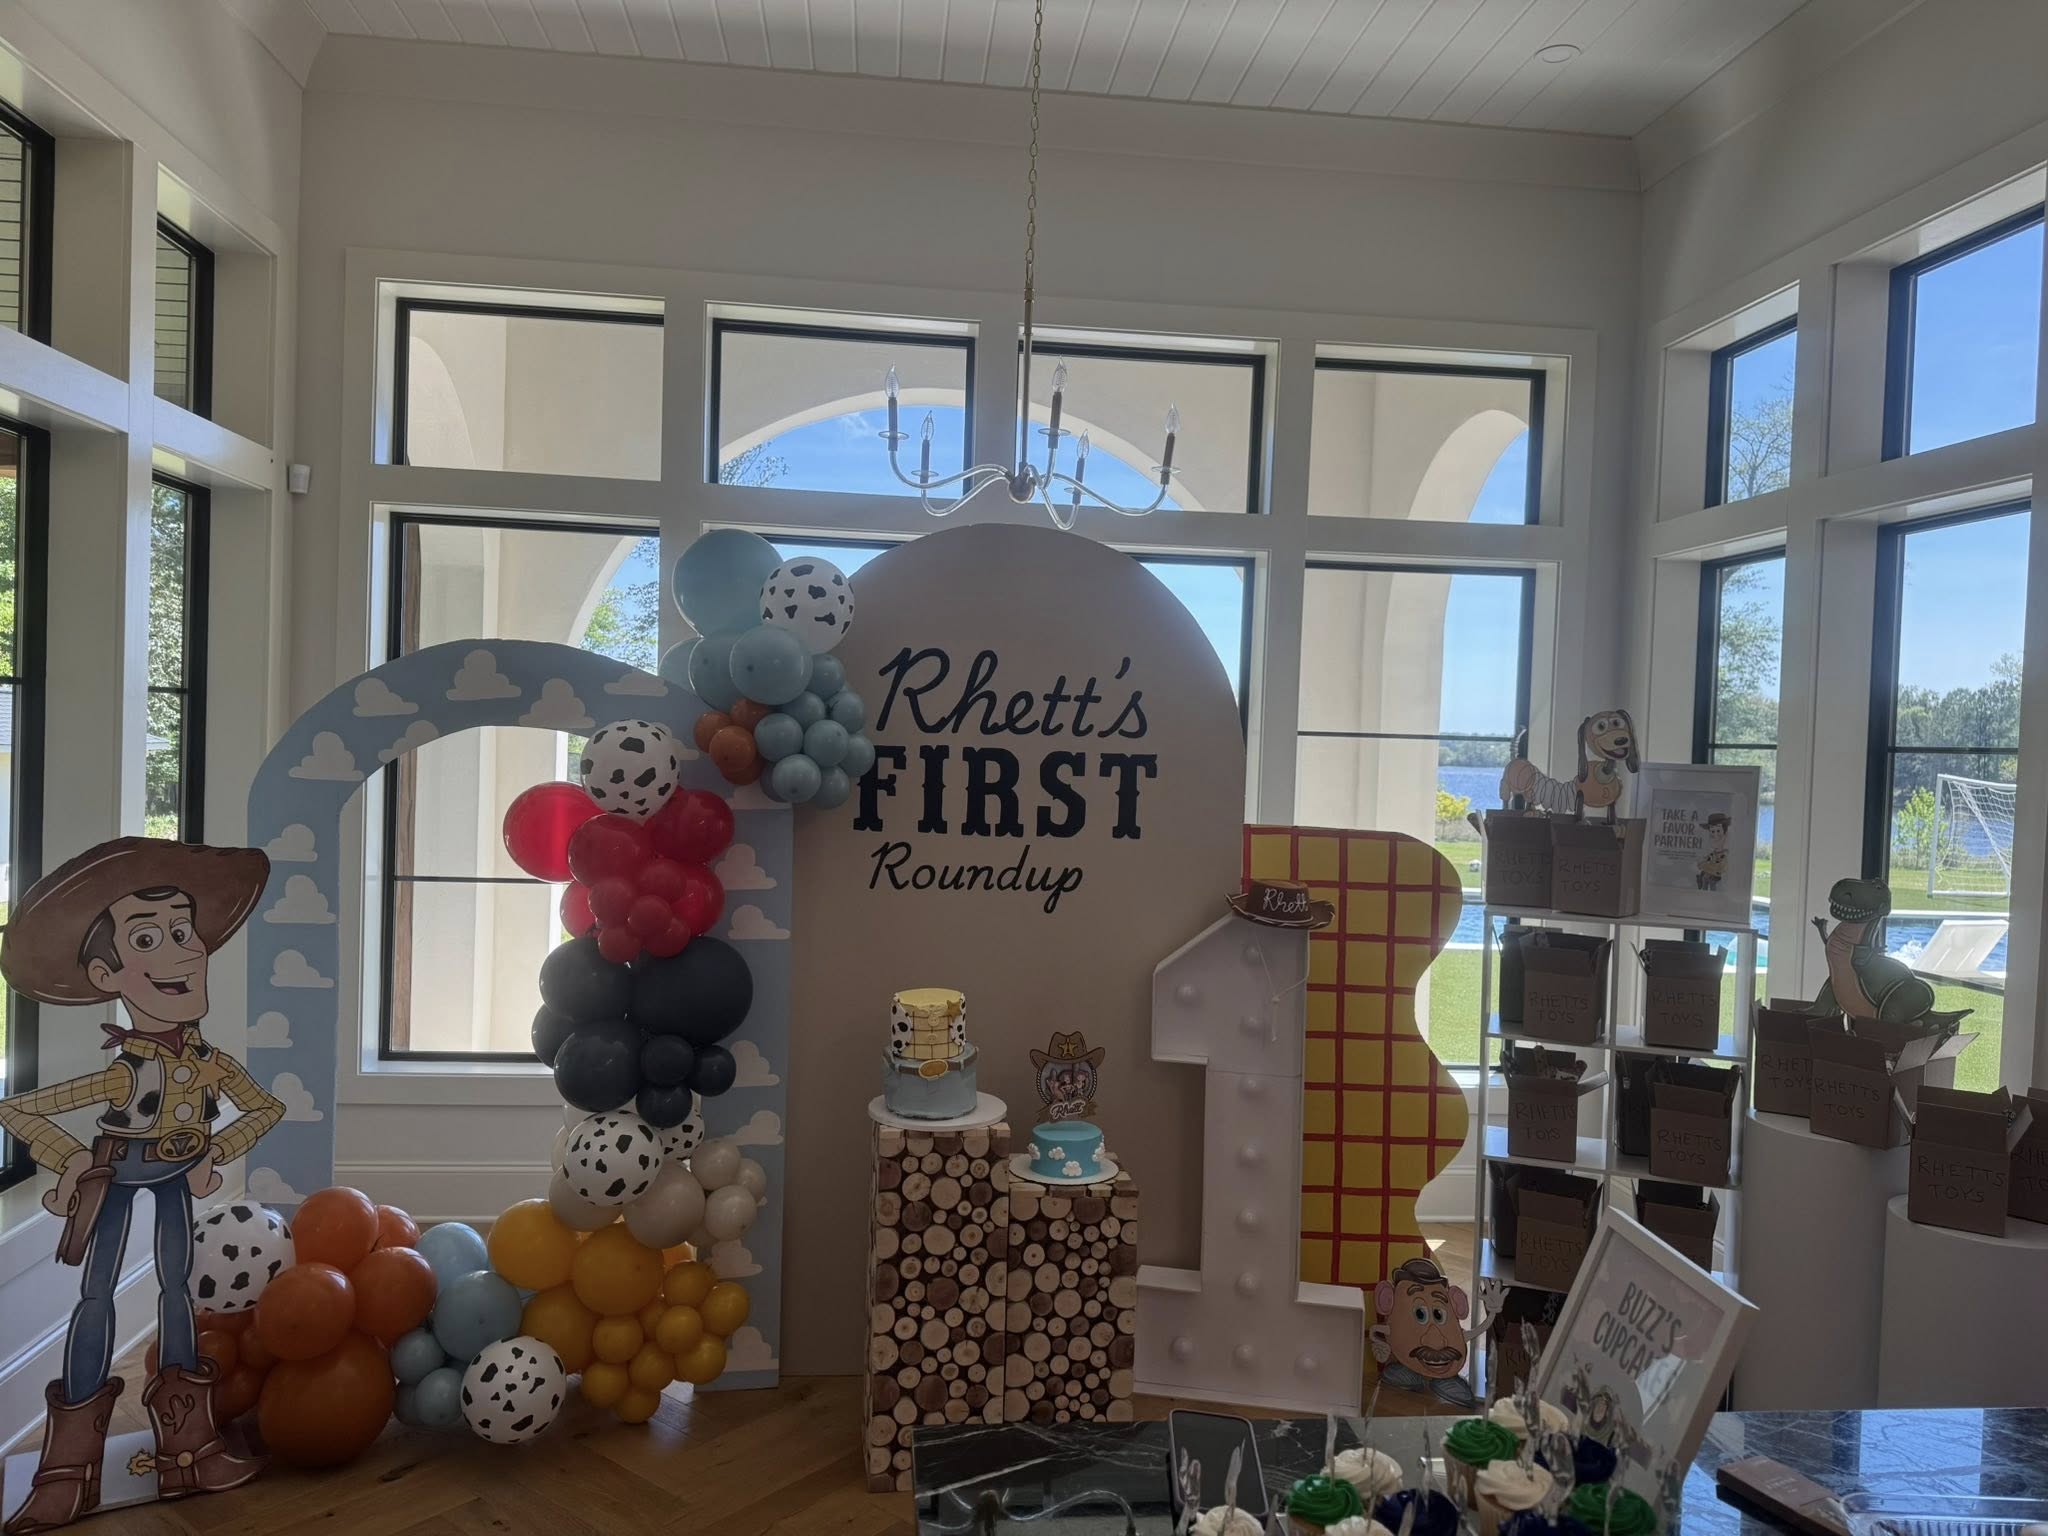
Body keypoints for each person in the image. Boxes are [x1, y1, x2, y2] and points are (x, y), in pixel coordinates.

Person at [0, 839, 283, 1534]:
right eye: (150, 938)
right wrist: (69, 1159)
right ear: (107, 973)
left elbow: (265, 1108)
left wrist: (216, 1149)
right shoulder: (123, 1071)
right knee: (95, 1297)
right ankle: (68, 1471)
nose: (182, 953)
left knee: (177, 1292)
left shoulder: (212, 1063)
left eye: (184, 933)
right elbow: (19, 1109)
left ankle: (188, 1448)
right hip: (119, 1176)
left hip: (176, 1183)